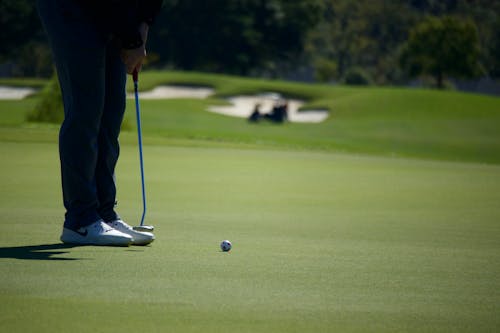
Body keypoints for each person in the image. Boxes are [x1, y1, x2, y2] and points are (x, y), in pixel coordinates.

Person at [37, 0, 163, 246]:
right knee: (86, 111)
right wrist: (132, 38)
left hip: (117, 11)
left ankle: (103, 213)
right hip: (71, 8)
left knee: (111, 110)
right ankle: (80, 220)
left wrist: (143, 24)